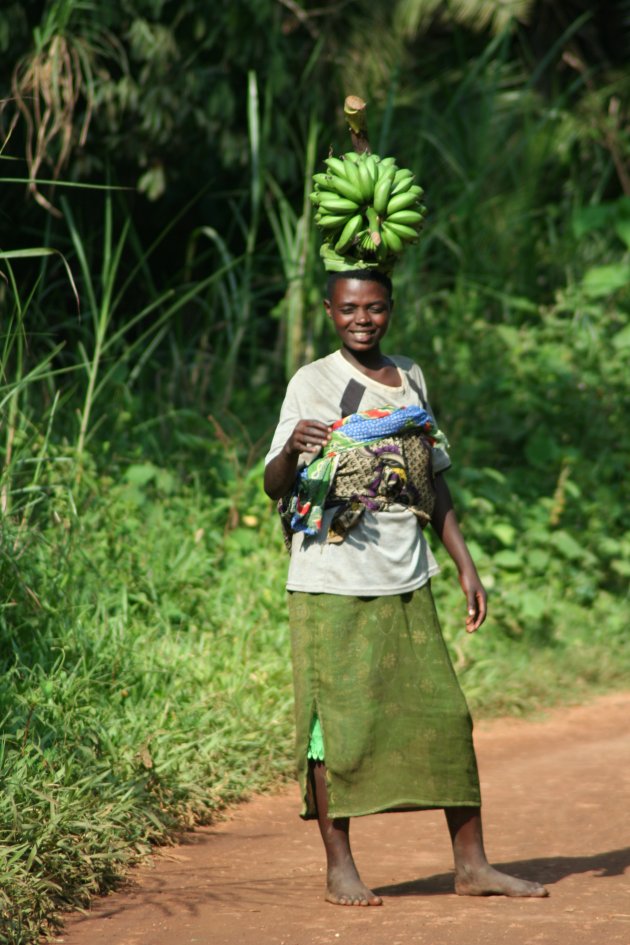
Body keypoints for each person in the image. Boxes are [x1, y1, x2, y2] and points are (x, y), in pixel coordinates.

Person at [264, 269, 548, 906]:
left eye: (374, 307)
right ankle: (340, 867)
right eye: (347, 309)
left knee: (447, 716)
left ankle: (472, 865)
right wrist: (293, 450)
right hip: (330, 581)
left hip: (406, 576)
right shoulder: (311, 382)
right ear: (329, 311)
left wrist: (464, 564)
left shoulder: (410, 377)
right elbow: (274, 483)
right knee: (332, 729)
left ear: (390, 308)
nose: (361, 319)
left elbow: (433, 481)